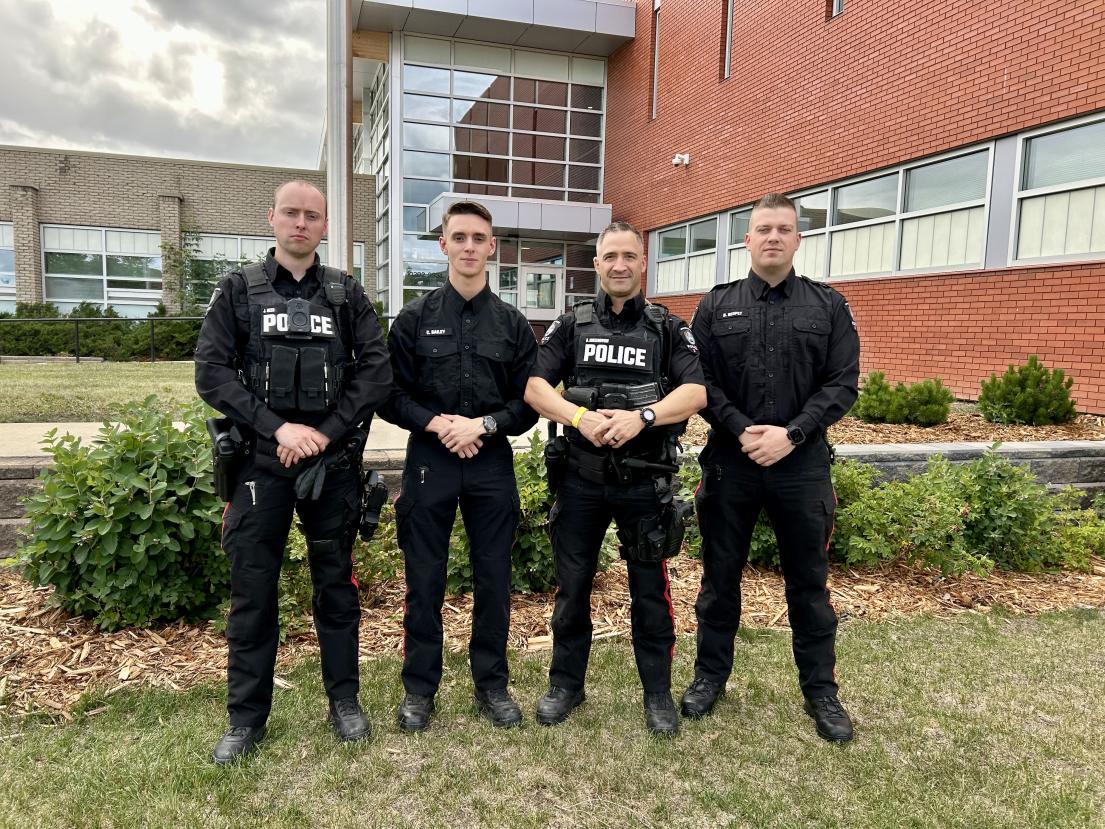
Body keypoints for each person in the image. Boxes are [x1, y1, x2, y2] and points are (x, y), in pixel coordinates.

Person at [195, 180, 392, 764]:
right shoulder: (237, 291)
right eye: (291, 213)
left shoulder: (346, 295)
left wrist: (323, 435)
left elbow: (375, 374)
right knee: (253, 593)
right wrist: (279, 429)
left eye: (312, 216)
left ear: (325, 226)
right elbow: (212, 373)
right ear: (272, 218)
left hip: (330, 467)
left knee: (336, 587)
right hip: (263, 462)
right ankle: (246, 720)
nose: (301, 223)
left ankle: (345, 703)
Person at [681, 192, 860, 742]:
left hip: (801, 466)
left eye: (784, 229)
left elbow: (842, 384)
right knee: (719, 580)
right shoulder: (716, 307)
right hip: (730, 466)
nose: (774, 237)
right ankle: (710, 676)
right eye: (764, 229)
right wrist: (740, 429)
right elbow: (698, 383)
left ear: (799, 238)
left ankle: (821, 692)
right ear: (747, 239)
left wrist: (792, 434)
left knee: (809, 584)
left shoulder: (828, 306)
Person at [525, 221, 706, 736]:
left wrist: (643, 417)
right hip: (581, 480)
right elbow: (535, 387)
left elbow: (697, 393)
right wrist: (580, 418)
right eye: (610, 256)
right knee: (572, 587)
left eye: (629, 256)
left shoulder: (666, 329)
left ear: (642, 264)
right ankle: (566, 685)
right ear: (597, 263)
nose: (620, 265)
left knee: (650, 590)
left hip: (644, 483)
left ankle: (657, 695)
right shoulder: (572, 325)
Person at [379, 200, 538, 731]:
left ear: (493, 247)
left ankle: (491, 686)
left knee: (494, 579)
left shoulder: (513, 324)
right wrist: (437, 424)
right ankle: (420, 690)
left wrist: (483, 426)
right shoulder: (414, 319)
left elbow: (526, 404)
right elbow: (390, 394)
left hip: (491, 463)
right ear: (443, 244)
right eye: (460, 237)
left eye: (480, 238)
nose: (470, 247)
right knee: (425, 579)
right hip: (430, 462)